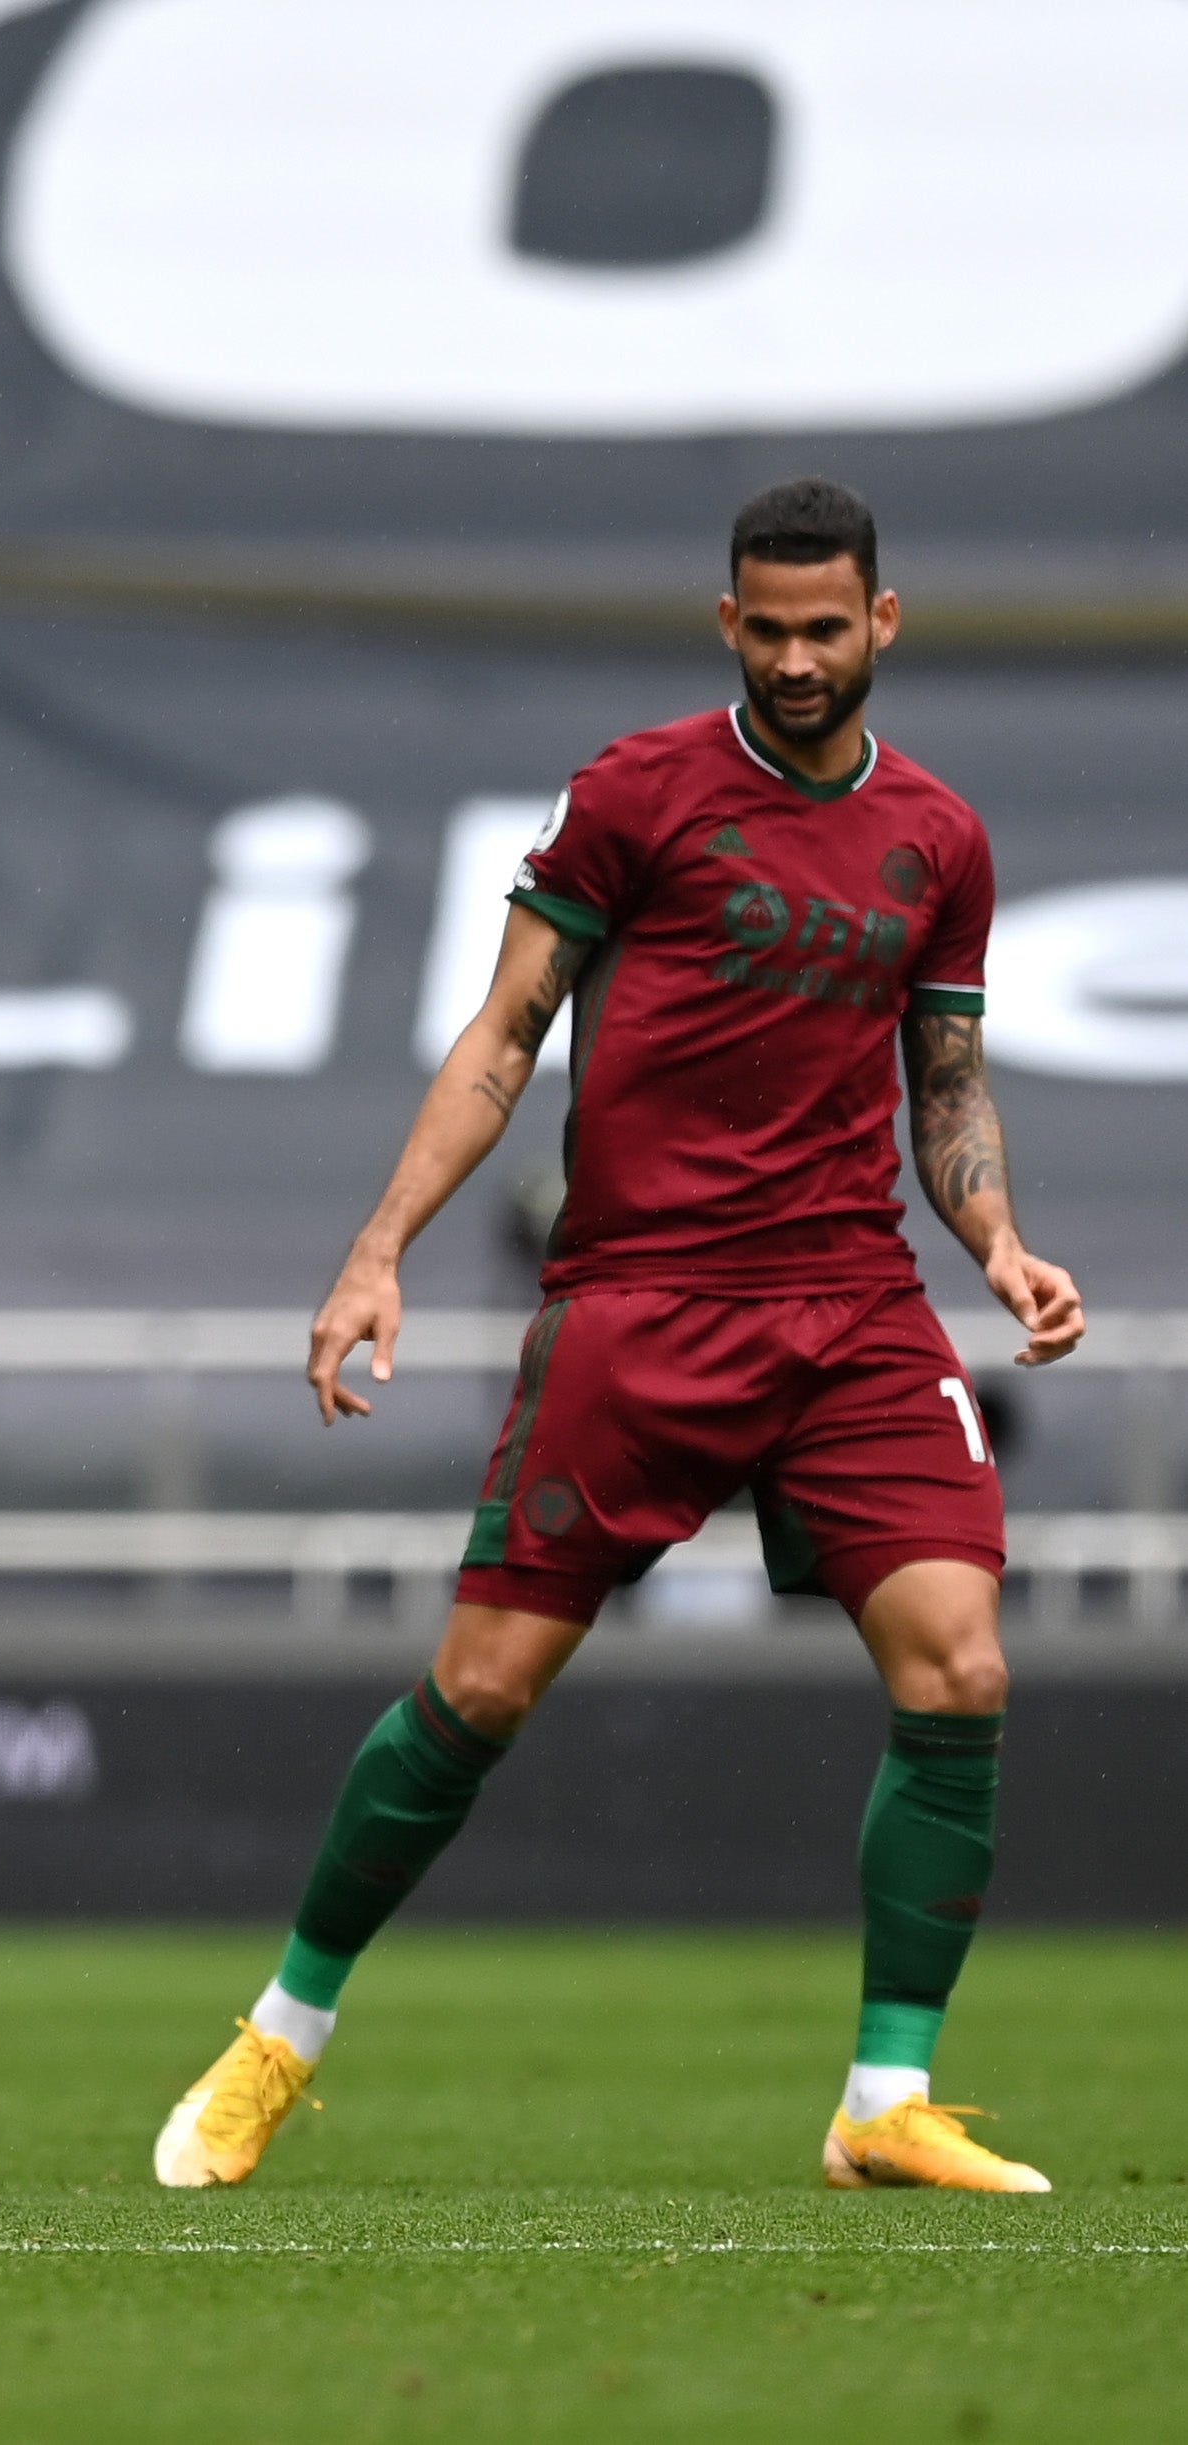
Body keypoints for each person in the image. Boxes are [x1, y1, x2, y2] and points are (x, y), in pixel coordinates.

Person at [156, 479, 1081, 2196]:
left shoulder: (938, 840)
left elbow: (943, 1085)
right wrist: (377, 1251)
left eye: (827, 628)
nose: (797, 659)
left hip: (853, 1306)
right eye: (767, 629)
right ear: (723, 623)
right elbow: (503, 1036)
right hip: (637, 1305)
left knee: (959, 1665)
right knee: (481, 1692)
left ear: (882, 623)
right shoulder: (635, 793)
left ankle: (884, 2098)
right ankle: (277, 2038)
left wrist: (1000, 1244)